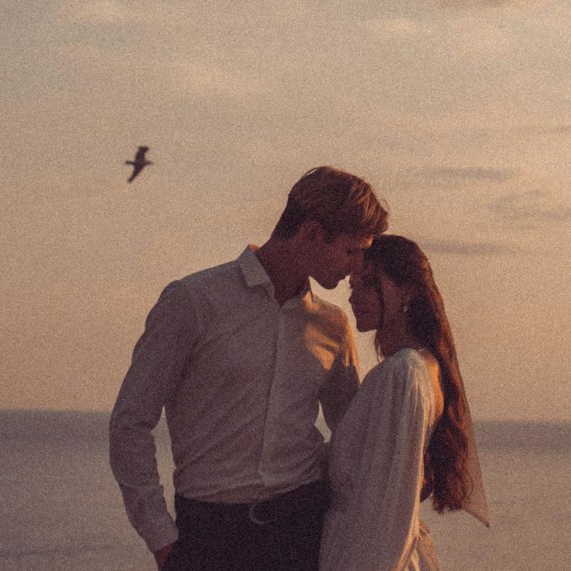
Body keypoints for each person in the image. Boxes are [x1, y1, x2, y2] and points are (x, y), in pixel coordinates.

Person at [109, 166, 389, 571]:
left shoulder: (333, 324)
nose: (358, 266)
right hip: (209, 537)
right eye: (351, 251)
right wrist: (162, 540)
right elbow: (130, 422)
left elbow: (351, 435)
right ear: (311, 233)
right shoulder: (192, 301)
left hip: (303, 532)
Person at [318, 235, 487, 571]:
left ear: (408, 290)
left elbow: (384, 518)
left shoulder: (404, 373)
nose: (354, 298)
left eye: (368, 284)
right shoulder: (418, 367)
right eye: (352, 286)